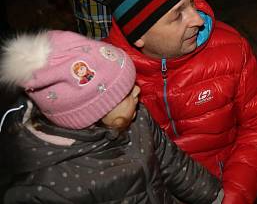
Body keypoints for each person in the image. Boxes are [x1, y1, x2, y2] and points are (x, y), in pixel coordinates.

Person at [104, 0, 257, 203]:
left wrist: (232, 196)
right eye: (178, 15)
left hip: (220, 187)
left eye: (191, 2)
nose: (197, 19)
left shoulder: (231, 50)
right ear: (139, 36)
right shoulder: (104, 78)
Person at [0, 30, 223, 203]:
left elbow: (172, 161)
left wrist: (212, 195)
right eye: (124, 93)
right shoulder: (47, 185)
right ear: (92, 113)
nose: (137, 91)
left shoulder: (137, 118)